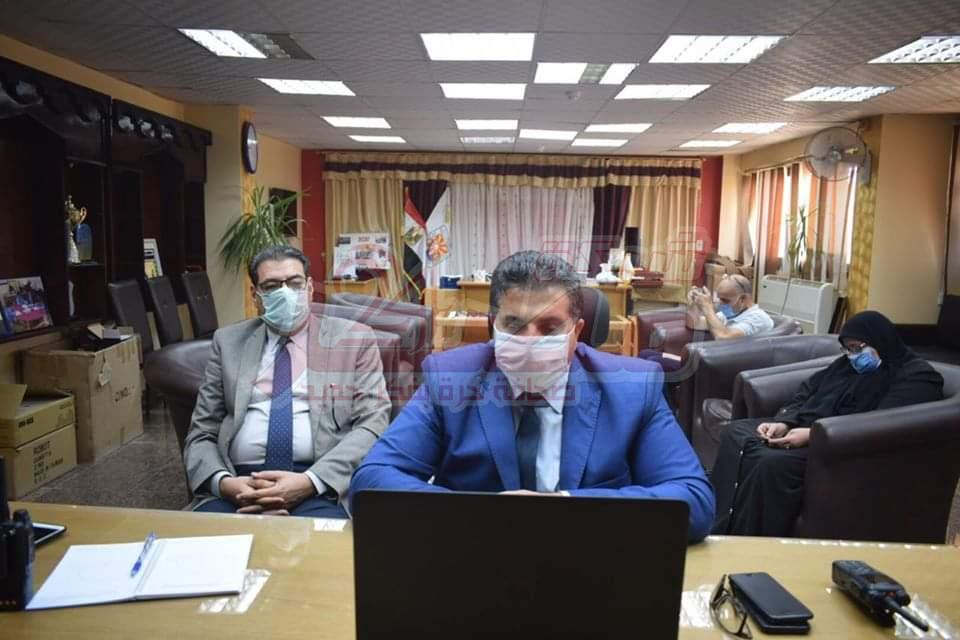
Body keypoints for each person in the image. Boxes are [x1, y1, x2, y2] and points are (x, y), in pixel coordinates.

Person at [350, 250, 715, 542]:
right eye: (513, 324)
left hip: (591, 561)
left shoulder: (632, 387)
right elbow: (372, 483)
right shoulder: (450, 378)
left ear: (577, 332)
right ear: (492, 326)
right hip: (474, 558)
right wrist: (484, 516)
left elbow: (694, 500)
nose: (529, 340)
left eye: (549, 327)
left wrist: (563, 510)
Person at [184, 246, 391, 518]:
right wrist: (223, 483)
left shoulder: (355, 340)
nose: (285, 292)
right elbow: (202, 431)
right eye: (271, 286)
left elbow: (373, 425)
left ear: (309, 288)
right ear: (255, 295)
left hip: (320, 484)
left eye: (294, 283)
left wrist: (310, 482)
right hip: (238, 483)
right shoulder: (228, 342)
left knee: (324, 543)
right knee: (204, 541)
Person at [711, 310, 944, 536]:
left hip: (843, 444)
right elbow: (807, 391)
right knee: (736, 432)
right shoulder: (846, 365)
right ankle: (717, 522)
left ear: (880, 340)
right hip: (804, 426)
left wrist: (812, 435)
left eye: (857, 348)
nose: (852, 356)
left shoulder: (916, 376)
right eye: (848, 349)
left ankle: (748, 538)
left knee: (769, 463)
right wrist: (784, 422)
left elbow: (882, 423)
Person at [639, 274, 773, 373]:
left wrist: (708, 307)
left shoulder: (757, 318)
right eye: (719, 299)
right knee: (645, 354)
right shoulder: (730, 313)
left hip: (726, 368)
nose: (721, 304)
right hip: (710, 359)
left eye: (725, 301)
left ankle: (660, 402)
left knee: (654, 363)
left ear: (743, 299)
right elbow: (694, 324)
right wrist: (693, 304)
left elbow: (723, 337)